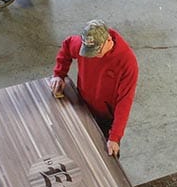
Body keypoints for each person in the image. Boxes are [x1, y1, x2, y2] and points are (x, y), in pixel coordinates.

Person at [50, 19, 139, 157]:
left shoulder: (127, 62)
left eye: (96, 52)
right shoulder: (84, 46)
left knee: (105, 158)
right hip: (82, 106)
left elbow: (125, 100)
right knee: (78, 151)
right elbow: (67, 46)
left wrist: (115, 136)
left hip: (106, 117)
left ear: (108, 40)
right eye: (88, 51)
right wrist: (59, 74)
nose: (92, 56)